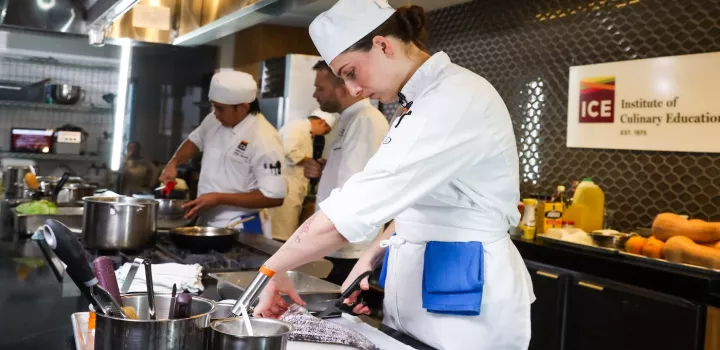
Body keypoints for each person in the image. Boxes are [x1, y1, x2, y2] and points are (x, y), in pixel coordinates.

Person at [248, 1, 535, 349]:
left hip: (465, 301)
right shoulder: (417, 102)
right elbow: (415, 196)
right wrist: (370, 257)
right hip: (422, 292)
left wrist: (272, 270)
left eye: (350, 72)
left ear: (383, 45)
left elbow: (352, 211)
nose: (352, 90)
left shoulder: (454, 99)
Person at [159, 70, 287, 234]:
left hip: (240, 226)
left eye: (220, 109)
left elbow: (274, 197)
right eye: (214, 107)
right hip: (207, 221)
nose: (215, 114)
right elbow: (195, 141)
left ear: (243, 107)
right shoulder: (213, 120)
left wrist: (219, 198)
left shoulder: (264, 139)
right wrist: (174, 163)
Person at [304, 59, 389, 284]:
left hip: (351, 248)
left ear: (343, 87)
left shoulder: (366, 120)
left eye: (320, 88)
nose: (315, 95)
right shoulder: (347, 119)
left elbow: (354, 192)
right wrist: (324, 169)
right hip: (337, 244)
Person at [269, 109, 336, 241]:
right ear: (322, 123)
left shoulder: (304, 130)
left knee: (287, 225)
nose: (321, 135)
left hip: (294, 184)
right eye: (325, 131)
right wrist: (311, 162)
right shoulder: (297, 126)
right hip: (287, 184)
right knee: (282, 228)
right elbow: (289, 151)